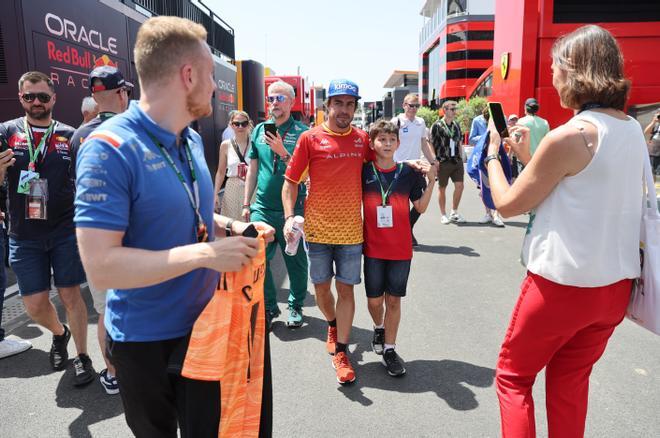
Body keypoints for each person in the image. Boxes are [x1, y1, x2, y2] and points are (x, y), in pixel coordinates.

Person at [74, 16, 274, 437]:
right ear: (187, 75)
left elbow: (183, 210)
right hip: (145, 342)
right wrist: (206, 254)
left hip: (207, 326)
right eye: (208, 77)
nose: (215, 89)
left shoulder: (191, 138)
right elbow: (101, 266)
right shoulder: (108, 148)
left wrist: (228, 224)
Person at [484, 25, 646, 437]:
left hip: (561, 286)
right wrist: (530, 159)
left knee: (513, 378)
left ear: (575, 69)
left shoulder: (570, 135)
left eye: (556, 65)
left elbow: (507, 204)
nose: (553, 74)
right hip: (614, 287)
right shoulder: (631, 129)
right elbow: (580, 186)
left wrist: (489, 160)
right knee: (569, 383)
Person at [0, 71, 93, 386]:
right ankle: (59, 333)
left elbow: (84, 182)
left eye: (42, 96)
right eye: (29, 96)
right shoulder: (6, 132)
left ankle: (82, 357)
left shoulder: (70, 135)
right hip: (23, 235)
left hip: (64, 229)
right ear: (21, 98)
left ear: (54, 98)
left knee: (70, 295)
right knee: (35, 305)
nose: (36, 102)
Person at [282, 79, 370, 385]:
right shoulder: (309, 138)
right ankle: (332, 323)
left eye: (350, 104)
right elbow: (291, 181)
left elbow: (380, 170)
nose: (344, 110)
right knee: (321, 290)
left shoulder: (362, 140)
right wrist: (290, 216)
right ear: (327, 106)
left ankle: (342, 352)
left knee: (346, 291)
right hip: (317, 231)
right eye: (338, 104)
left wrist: (410, 166)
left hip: (351, 233)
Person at [70, 65, 133, 395]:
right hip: (134, 239)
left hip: (96, 240)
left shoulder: (79, 136)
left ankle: (112, 372)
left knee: (106, 310)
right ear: (122, 93)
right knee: (136, 306)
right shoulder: (137, 130)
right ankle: (139, 371)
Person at [362, 119, 435, 377]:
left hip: (401, 250)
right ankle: (378, 327)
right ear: (372, 144)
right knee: (374, 301)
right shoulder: (364, 171)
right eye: (382, 140)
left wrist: (433, 179)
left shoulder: (408, 174)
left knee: (394, 300)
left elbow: (421, 207)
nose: (387, 144)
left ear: (398, 143)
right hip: (372, 249)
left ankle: (390, 349)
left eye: (392, 140)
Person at [243, 80, 309, 328]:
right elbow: (253, 168)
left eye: (280, 98)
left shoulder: (302, 132)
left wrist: (283, 151)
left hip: (292, 209)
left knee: (295, 260)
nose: (274, 103)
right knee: (259, 258)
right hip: (262, 207)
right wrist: (246, 204)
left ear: (292, 102)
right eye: (270, 99)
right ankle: (270, 306)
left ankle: (295, 305)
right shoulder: (259, 129)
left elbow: (305, 173)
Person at [391, 93, 436, 246]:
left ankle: (408, 228)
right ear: (404, 105)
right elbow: (388, 144)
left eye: (417, 106)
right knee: (400, 205)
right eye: (411, 105)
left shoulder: (420, 122)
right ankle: (403, 233)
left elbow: (424, 143)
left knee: (420, 204)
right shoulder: (396, 121)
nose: (414, 109)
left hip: (417, 168)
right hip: (400, 168)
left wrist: (433, 161)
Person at [430, 100, 466, 224]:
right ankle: (443, 214)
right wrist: (434, 160)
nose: (454, 111)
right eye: (452, 109)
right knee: (442, 188)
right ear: (444, 110)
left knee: (460, 186)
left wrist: (462, 156)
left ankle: (454, 212)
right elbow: (431, 143)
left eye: (455, 109)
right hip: (443, 161)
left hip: (456, 160)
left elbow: (459, 141)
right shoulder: (437, 125)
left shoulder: (456, 124)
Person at [213, 110, 253, 220]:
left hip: (252, 187)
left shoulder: (255, 143)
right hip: (232, 187)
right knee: (232, 225)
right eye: (236, 124)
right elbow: (221, 172)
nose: (240, 127)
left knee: (252, 225)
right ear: (231, 125)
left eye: (244, 123)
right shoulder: (225, 145)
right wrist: (215, 194)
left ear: (248, 124)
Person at [469, 108, 504, 227]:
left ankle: (496, 215)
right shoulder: (477, 121)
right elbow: (471, 139)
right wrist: (485, 137)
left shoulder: (501, 119)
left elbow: (504, 137)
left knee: (498, 186)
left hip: (498, 156)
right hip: (482, 158)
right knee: (485, 187)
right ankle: (488, 214)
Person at [643, 110, 660, 176]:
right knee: (651, 173)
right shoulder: (655, 125)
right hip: (652, 153)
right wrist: (653, 122)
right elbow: (646, 132)